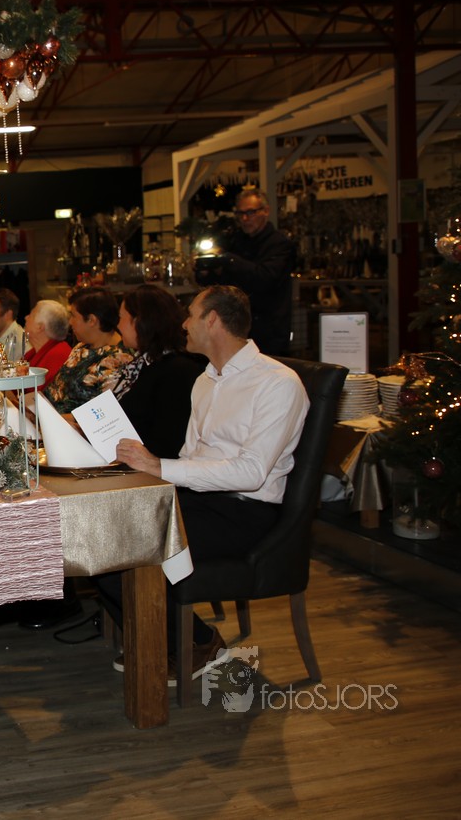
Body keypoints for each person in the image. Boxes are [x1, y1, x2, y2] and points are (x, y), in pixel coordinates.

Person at [97, 285, 309, 683]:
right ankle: (163, 638)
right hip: (199, 500)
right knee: (99, 540)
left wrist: (159, 466)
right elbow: (192, 457)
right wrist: (146, 465)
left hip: (245, 512)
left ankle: (197, 642)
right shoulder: (205, 380)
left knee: (122, 549)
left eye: (191, 315)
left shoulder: (278, 383)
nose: (184, 324)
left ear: (212, 320)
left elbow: (252, 473)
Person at [193, 187, 296, 355]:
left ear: (266, 211)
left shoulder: (279, 243)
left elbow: (264, 278)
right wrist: (206, 270)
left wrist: (228, 259)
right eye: (240, 214)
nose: (245, 219)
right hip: (237, 329)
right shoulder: (235, 241)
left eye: (251, 212)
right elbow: (221, 285)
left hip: (268, 331)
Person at [111, 285, 205, 458]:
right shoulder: (143, 364)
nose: (117, 325)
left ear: (140, 321)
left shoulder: (177, 371)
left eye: (121, 318)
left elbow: (169, 443)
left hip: (148, 468)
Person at [44, 287, 134, 413]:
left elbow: (103, 414)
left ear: (92, 320)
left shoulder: (119, 359)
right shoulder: (81, 347)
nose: (70, 322)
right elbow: (56, 390)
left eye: (73, 316)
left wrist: (49, 418)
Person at [22, 300, 71, 392]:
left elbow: (39, 396)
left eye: (31, 315)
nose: (26, 317)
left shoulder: (58, 355)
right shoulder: (34, 352)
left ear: (40, 327)